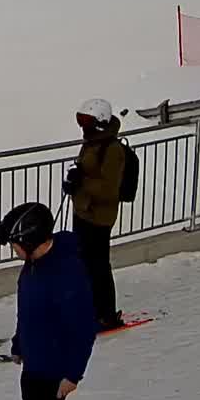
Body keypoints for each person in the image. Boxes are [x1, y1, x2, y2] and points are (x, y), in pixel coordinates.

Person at [0, 202, 97, 400]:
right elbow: (28, 310)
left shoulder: (67, 275)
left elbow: (83, 329)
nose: (13, 250)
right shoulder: (32, 265)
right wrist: (19, 344)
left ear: (30, 242)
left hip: (53, 371)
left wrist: (72, 375)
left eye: (14, 244)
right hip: (33, 363)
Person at [64, 97, 128, 331]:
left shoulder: (112, 149)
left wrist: (81, 183)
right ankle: (90, 308)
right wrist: (73, 178)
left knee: (98, 265)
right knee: (84, 264)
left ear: (99, 121)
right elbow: (87, 171)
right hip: (83, 212)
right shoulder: (92, 142)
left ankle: (106, 313)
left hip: (99, 217)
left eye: (86, 121)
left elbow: (109, 189)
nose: (82, 126)